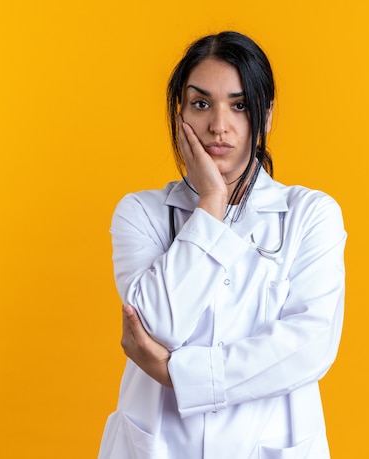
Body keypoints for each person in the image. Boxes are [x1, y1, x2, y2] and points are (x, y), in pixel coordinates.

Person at [98, 31, 346, 459]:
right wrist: (211, 202)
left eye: (239, 105)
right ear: (180, 116)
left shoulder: (311, 214)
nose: (219, 125)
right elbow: (158, 327)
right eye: (200, 104)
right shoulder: (140, 213)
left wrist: (176, 374)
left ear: (265, 117)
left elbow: (308, 347)